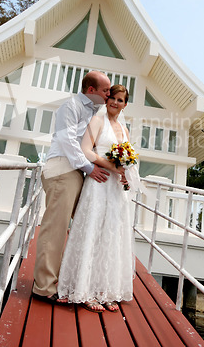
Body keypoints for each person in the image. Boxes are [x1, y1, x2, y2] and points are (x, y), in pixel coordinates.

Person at [32, 70, 112, 304]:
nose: (109, 94)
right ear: (91, 90)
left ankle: (76, 282)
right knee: (55, 227)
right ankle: (44, 287)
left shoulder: (98, 112)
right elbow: (68, 141)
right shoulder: (72, 106)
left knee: (86, 227)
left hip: (80, 173)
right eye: (105, 90)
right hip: (63, 169)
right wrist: (89, 168)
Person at [57, 85, 135, 312]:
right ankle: (84, 290)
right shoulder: (97, 120)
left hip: (115, 189)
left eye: (120, 100)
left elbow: (128, 159)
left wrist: (125, 176)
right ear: (107, 99)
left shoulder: (124, 128)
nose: (115, 103)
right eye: (112, 98)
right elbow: (86, 150)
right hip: (99, 182)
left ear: (125, 104)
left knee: (110, 236)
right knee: (92, 232)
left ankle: (104, 290)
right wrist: (110, 165)